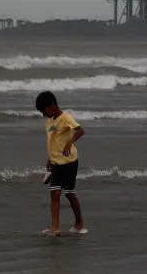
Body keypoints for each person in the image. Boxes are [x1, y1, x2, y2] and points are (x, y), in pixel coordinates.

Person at [35, 90, 87, 237]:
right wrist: (50, 159)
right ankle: (55, 227)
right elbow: (52, 142)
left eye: (43, 110)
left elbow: (80, 131)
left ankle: (80, 223)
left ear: (51, 105)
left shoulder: (66, 118)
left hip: (69, 162)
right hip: (56, 163)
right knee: (55, 194)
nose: (43, 114)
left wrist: (69, 143)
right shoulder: (49, 122)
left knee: (69, 194)